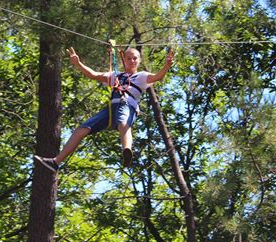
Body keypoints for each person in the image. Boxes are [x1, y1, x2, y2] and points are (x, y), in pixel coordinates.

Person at [35, 46, 175, 173]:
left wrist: (166, 66)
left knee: (123, 122)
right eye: (129, 58)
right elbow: (93, 74)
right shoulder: (116, 76)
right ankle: (55, 162)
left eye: (135, 58)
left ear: (139, 60)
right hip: (110, 108)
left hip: (127, 104)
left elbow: (158, 76)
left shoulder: (142, 76)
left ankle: (127, 150)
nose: (132, 61)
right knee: (82, 129)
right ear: (124, 60)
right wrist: (78, 63)